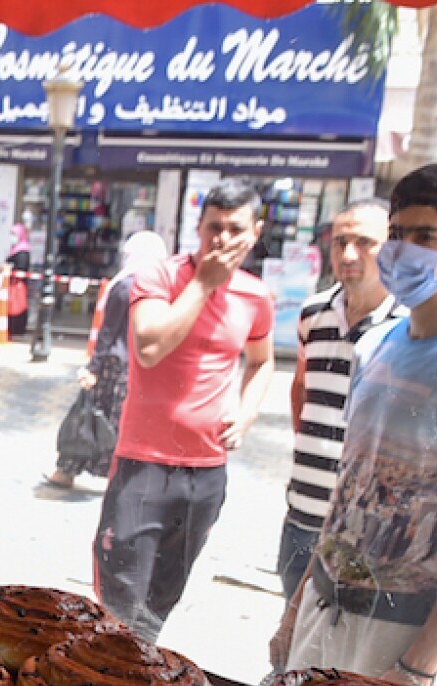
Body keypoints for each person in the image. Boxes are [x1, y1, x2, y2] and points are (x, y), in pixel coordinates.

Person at [270, 163, 437, 686]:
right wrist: (295, 608)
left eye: (426, 236)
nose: (402, 249)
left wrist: (418, 667)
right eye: (398, 234)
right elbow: (348, 494)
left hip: (397, 630)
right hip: (323, 604)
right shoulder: (374, 347)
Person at [92, 178, 276, 643]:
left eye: (235, 229)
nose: (222, 239)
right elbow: (149, 348)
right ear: (198, 227)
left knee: (160, 601)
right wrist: (202, 286)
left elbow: (262, 359)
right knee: (120, 602)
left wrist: (248, 408)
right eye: (213, 227)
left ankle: (138, 679)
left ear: (256, 231)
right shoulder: (160, 276)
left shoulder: (255, 296)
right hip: (143, 461)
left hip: (207, 469)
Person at [277, 199, 405, 603]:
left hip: (367, 531)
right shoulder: (313, 314)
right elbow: (303, 390)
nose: (348, 254)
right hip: (304, 514)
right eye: (340, 242)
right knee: (292, 643)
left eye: (365, 242)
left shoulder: (410, 326)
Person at [46, 230, 168, 488]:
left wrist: (93, 367)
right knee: (119, 422)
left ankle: (67, 470)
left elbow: (108, 332)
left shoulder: (125, 286)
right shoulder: (162, 287)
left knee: (88, 418)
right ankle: (115, 474)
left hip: (115, 365)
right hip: (142, 367)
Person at [6, 223, 32, 338]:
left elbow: (21, 268)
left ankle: (17, 329)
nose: (12, 237)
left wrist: (10, 268)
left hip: (17, 285)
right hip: (13, 284)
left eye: (14, 234)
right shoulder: (15, 250)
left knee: (17, 305)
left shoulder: (22, 252)